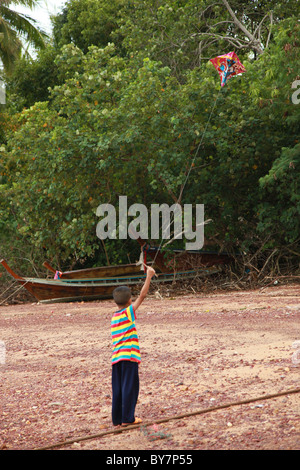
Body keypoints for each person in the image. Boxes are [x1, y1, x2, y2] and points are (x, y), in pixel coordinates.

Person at [111, 265, 156, 426]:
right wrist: (149, 276)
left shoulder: (114, 317)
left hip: (116, 359)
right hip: (129, 357)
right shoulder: (127, 313)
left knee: (118, 389)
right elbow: (142, 296)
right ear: (129, 300)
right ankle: (128, 418)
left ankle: (118, 419)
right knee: (130, 388)